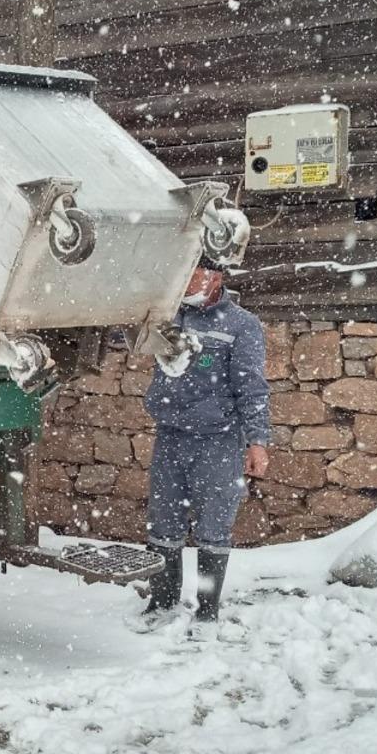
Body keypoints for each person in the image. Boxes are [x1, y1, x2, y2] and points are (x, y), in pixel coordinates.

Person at [137, 257, 270, 636]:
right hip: (171, 436)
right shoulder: (168, 317)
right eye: (184, 275)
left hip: (218, 440)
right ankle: (161, 601)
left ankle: (207, 611)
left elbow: (252, 387)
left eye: (194, 276)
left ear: (216, 278)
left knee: (214, 527)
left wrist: (257, 441)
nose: (187, 284)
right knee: (164, 522)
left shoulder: (242, 326)